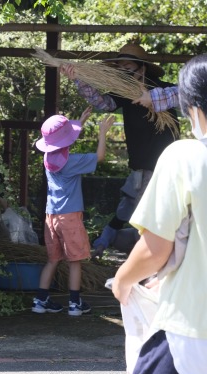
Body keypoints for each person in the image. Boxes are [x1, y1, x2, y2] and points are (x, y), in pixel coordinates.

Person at [111, 53, 207, 374]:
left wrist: (123, 281)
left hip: (191, 332)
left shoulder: (186, 156)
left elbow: (155, 249)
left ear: (192, 107)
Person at [60, 43, 178, 257]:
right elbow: (103, 103)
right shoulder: (124, 93)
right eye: (120, 67)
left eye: (128, 67)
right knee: (132, 207)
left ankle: (150, 260)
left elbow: (185, 96)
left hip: (163, 167)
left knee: (149, 216)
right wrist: (78, 78)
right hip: (139, 166)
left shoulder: (163, 91)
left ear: (142, 68)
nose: (123, 71)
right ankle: (109, 242)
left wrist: (151, 99)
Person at [32, 107, 115, 316]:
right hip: (69, 217)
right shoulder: (72, 162)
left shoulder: (48, 159)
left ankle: (40, 300)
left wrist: (79, 123)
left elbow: (62, 144)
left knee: (53, 260)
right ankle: (75, 303)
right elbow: (100, 156)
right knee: (75, 261)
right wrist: (102, 133)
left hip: (51, 216)